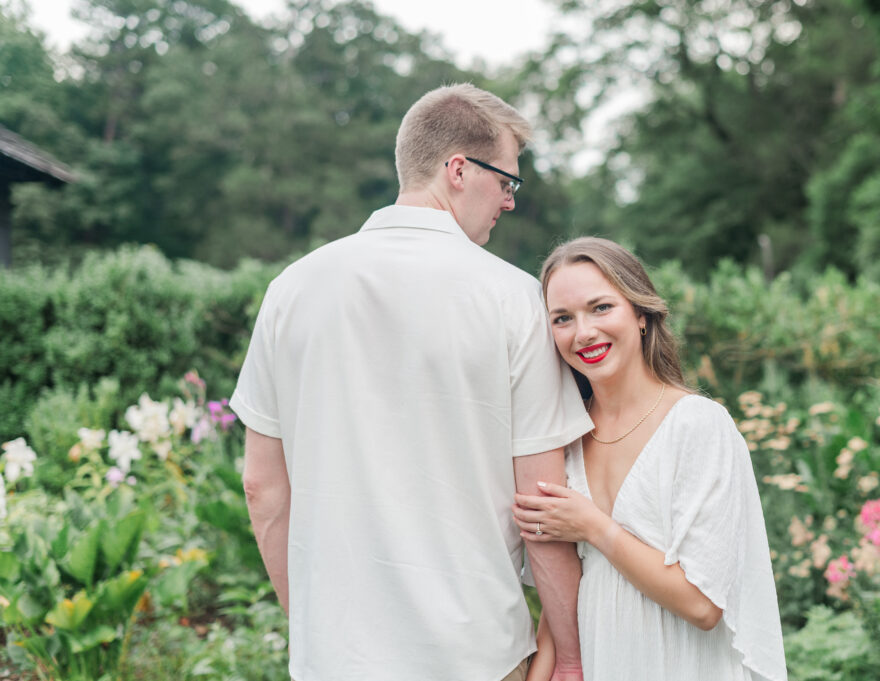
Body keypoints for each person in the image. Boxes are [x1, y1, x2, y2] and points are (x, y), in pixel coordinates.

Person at [231, 84, 594, 681]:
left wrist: (314, 633)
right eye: (507, 182)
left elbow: (261, 488)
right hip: (475, 655)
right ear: (458, 169)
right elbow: (541, 505)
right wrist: (574, 658)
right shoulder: (513, 299)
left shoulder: (290, 290)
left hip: (333, 659)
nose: (509, 203)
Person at [514, 237, 787, 681]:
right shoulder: (563, 439)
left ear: (641, 315)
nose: (583, 332)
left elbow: (703, 605)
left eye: (601, 308)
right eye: (562, 318)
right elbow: (562, 596)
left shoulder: (697, 426)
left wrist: (595, 527)